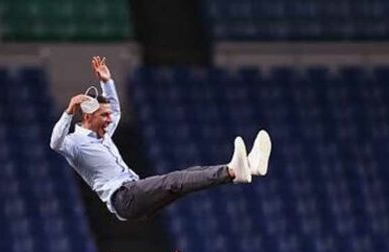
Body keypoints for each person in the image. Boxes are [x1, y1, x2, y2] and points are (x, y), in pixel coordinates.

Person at [49, 56, 272, 222]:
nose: (110, 119)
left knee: (186, 178)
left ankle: (247, 168)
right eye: (103, 116)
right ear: (88, 117)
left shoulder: (103, 133)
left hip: (133, 194)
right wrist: (69, 111)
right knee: (174, 180)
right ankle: (232, 171)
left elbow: (115, 110)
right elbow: (55, 143)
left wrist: (107, 82)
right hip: (124, 198)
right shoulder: (75, 143)